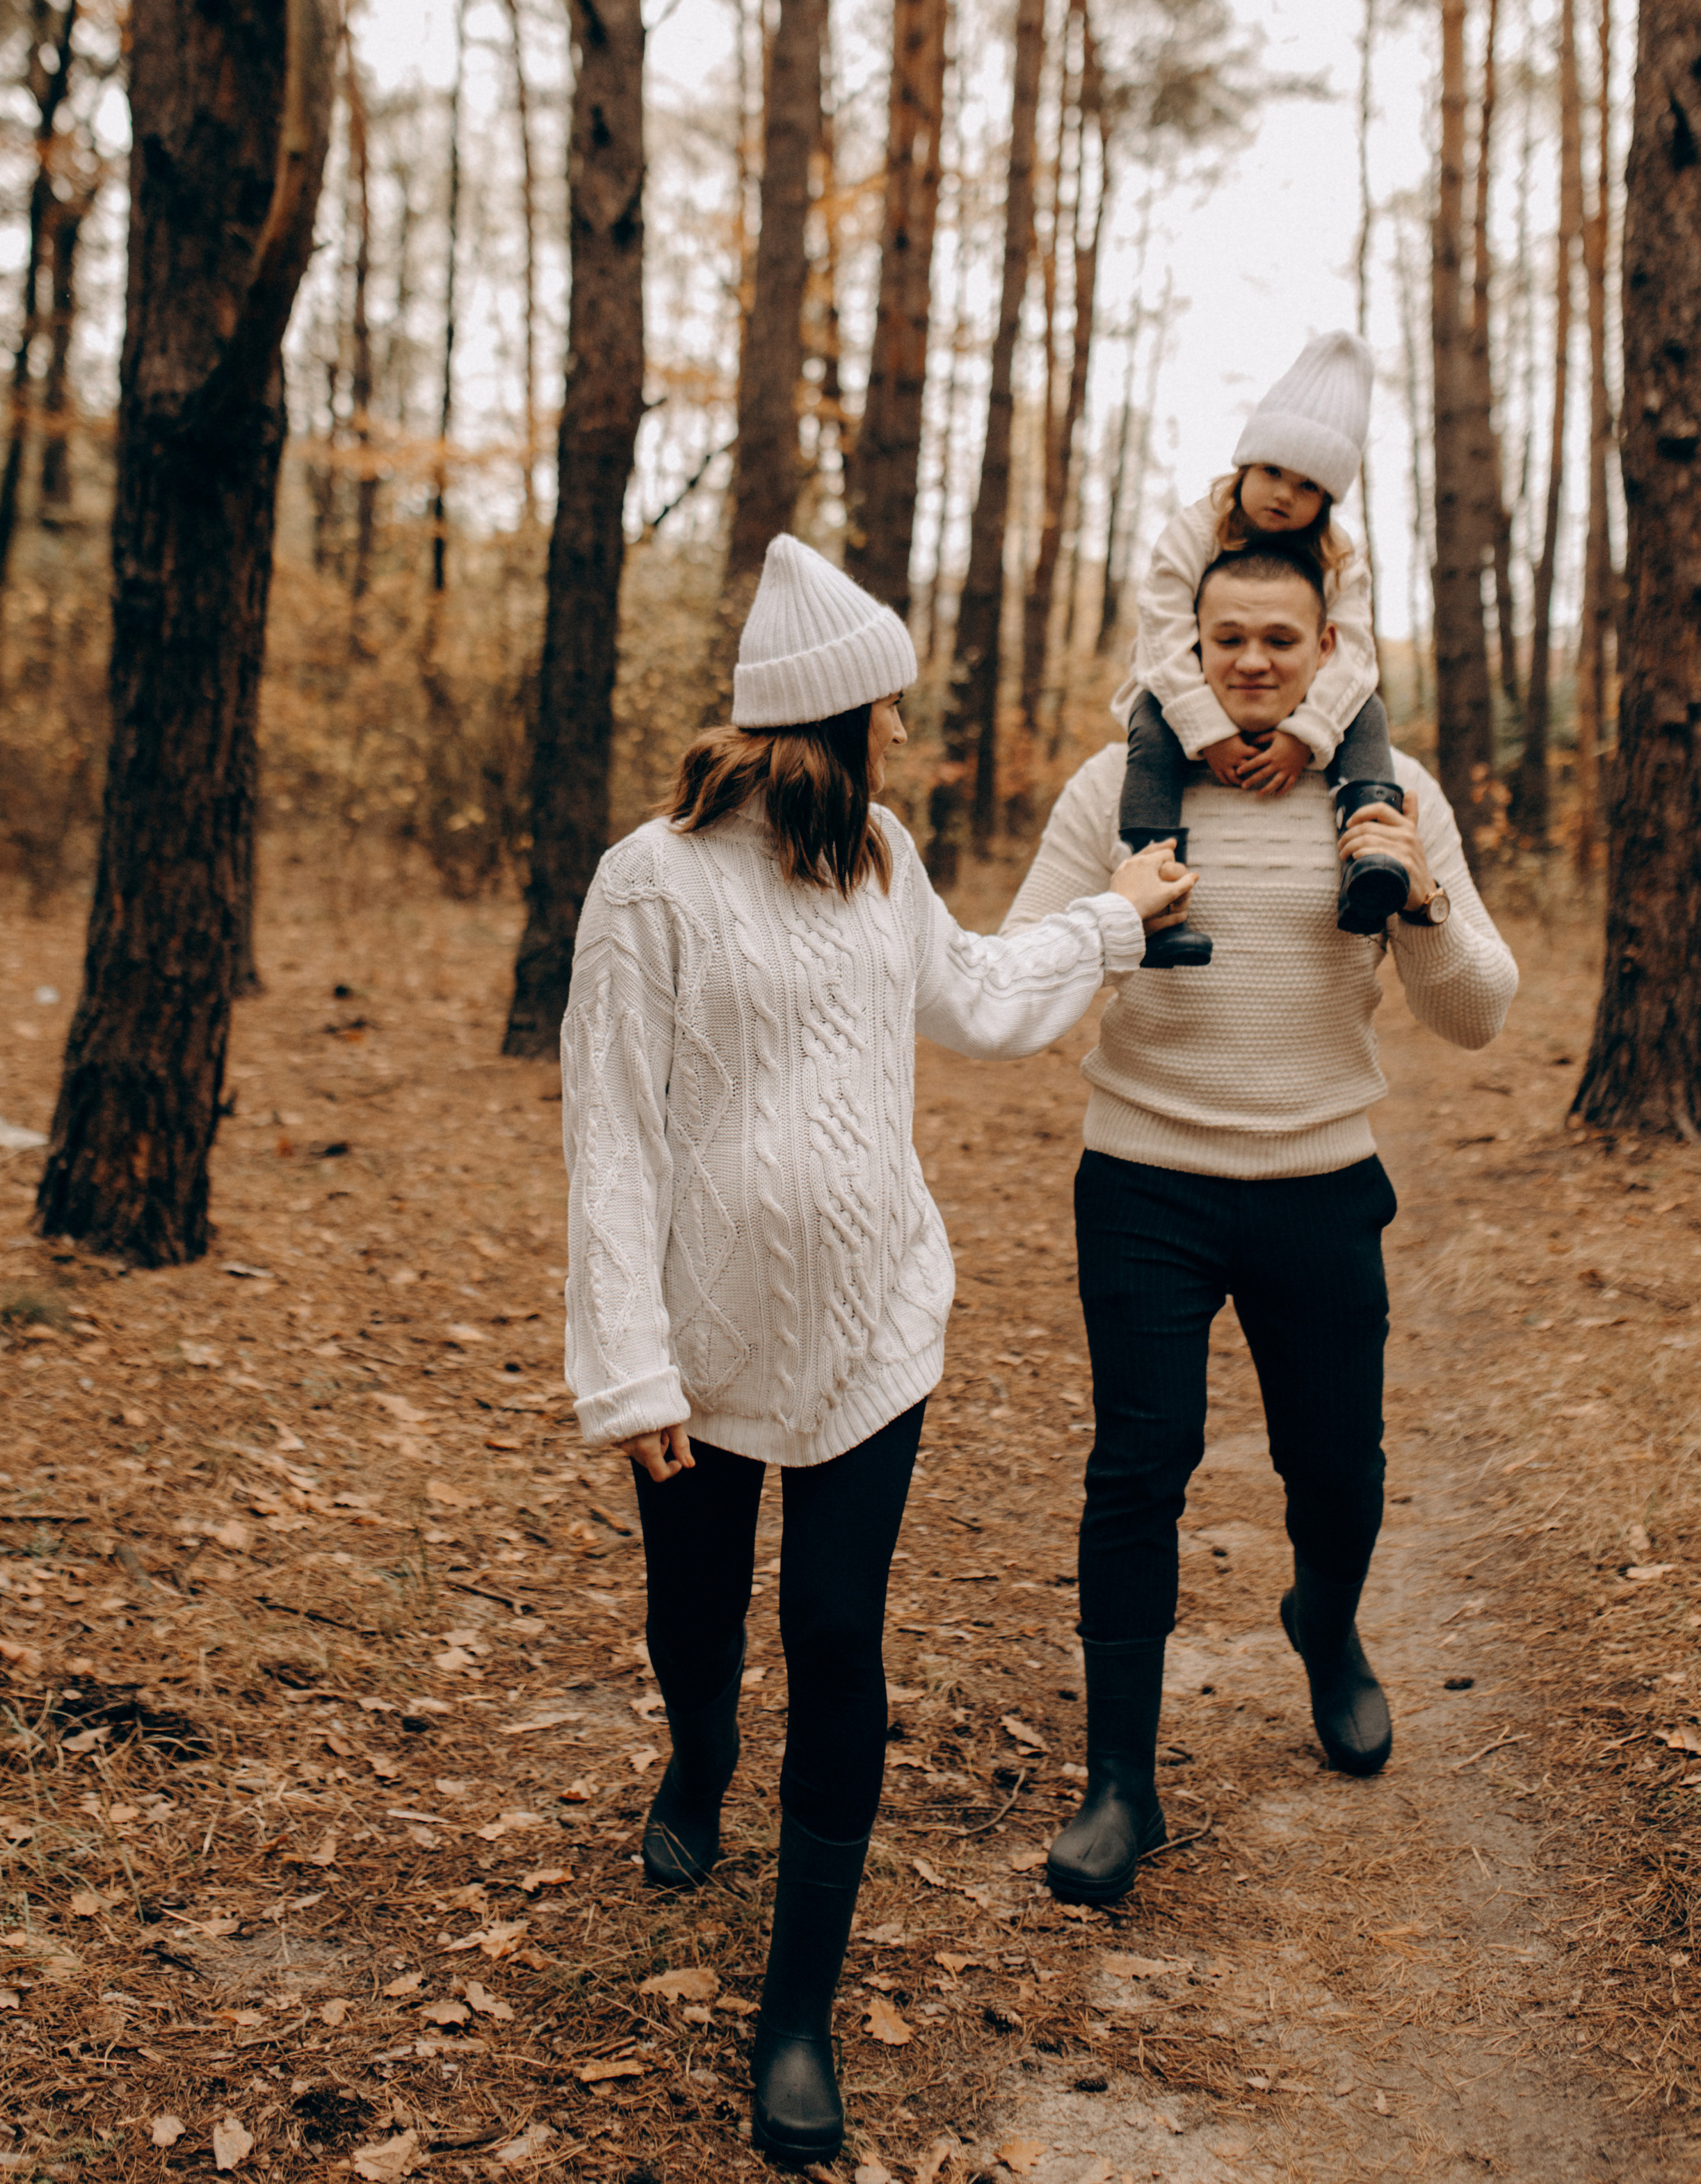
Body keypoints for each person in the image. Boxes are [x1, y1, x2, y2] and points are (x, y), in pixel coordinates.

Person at [560, 533, 1191, 2166]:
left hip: (868, 1341)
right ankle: (698, 1757)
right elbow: (611, 1137)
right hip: (700, 1354)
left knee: (834, 1635)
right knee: (693, 1618)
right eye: (886, 713)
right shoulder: (650, 879)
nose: (899, 738)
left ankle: (794, 2015)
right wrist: (626, 1369)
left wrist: (1109, 925)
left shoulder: (878, 857)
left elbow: (975, 996)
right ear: (827, 719)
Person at [1003, 541, 1519, 1907]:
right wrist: (1107, 924)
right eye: (1225, 636)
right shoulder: (1110, 790)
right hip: (1143, 1183)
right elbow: (1021, 991)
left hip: (1316, 1183)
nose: (1249, 662)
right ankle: (1120, 1783)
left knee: (1335, 1464)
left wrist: (1413, 897)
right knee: (1138, 1466)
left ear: (1322, 645)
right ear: (1190, 643)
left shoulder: (1391, 791)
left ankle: (1326, 1627)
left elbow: (1476, 1012)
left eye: (1277, 640)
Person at [1115, 330, 1410, 966]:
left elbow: (1353, 655)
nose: (1283, 494)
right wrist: (1209, 732)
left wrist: (1305, 735)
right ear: (1245, 464)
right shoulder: (1194, 531)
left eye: (1307, 486)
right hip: (1188, 693)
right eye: (1272, 471)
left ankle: (1373, 857)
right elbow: (1164, 637)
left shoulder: (1338, 558)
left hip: (1300, 703)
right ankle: (1155, 897)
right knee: (1150, 729)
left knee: (1370, 715)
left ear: (1327, 500)